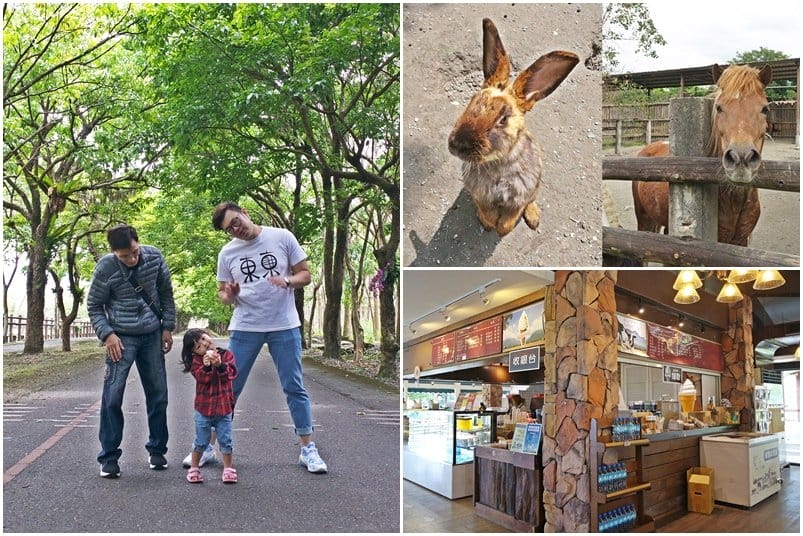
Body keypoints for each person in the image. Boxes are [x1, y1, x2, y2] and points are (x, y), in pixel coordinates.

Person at [182, 202, 327, 474]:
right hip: (246, 326)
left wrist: (287, 282)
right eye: (230, 229)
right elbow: (222, 294)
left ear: (245, 213)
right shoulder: (227, 253)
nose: (237, 230)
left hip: (284, 325)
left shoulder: (282, 236)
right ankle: (208, 447)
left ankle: (308, 449)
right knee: (227, 387)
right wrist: (231, 293)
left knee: (294, 386)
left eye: (236, 222)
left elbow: (305, 274)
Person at [87, 224, 176, 478]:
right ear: (114, 252)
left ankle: (157, 449)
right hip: (121, 338)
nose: (132, 259)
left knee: (158, 395)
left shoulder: (155, 257)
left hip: (151, 334)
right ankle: (109, 456)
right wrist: (108, 334)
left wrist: (167, 326)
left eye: (134, 252)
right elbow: (94, 306)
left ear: (139, 243)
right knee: (112, 396)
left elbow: (166, 294)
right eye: (125, 256)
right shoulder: (106, 267)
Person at [181, 329, 238, 484]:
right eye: (199, 346)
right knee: (201, 440)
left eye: (204, 339)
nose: (205, 345)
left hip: (224, 407)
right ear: (193, 352)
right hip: (203, 409)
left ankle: (228, 469)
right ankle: (194, 468)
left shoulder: (226, 355)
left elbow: (231, 374)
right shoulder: (196, 362)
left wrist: (219, 365)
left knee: (226, 440)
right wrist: (206, 367)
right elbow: (201, 379)